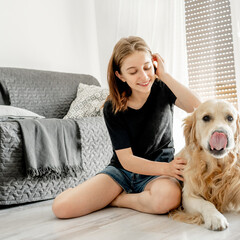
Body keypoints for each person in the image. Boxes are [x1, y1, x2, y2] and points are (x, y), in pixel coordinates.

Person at [52, 36, 201, 218]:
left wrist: (165, 75)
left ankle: (118, 200)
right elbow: (127, 160)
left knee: (168, 199)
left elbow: (198, 109)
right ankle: (103, 193)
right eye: (133, 72)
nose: (144, 76)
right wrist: (167, 169)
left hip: (157, 173)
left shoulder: (163, 88)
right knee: (61, 208)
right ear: (120, 75)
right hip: (122, 172)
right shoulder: (112, 107)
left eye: (147, 67)